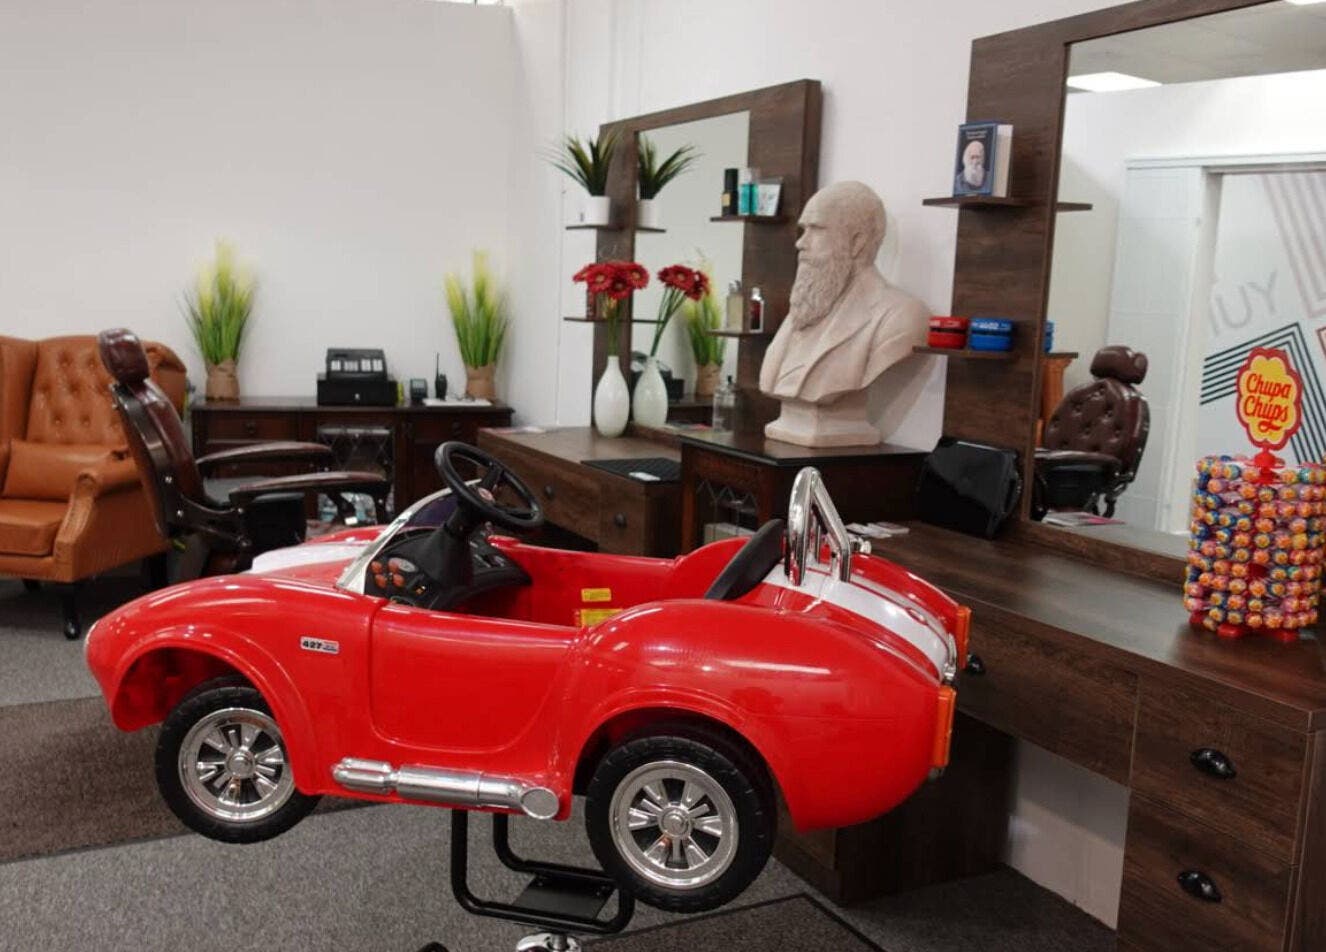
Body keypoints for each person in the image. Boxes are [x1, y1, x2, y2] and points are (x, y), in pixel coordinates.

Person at [759, 181, 928, 447]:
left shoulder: (901, 316)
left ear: (857, 242)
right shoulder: (807, 305)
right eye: (803, 230)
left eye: (816, 229)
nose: (801, 243)